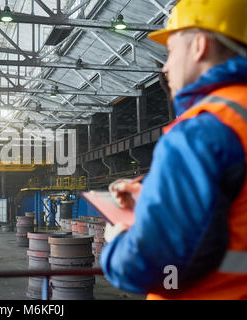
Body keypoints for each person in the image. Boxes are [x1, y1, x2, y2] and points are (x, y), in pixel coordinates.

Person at [100, 0, 247, 299]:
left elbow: (151, 265)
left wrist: (118, 238)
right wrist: (158, 197)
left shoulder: (201, 131)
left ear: (199, 46)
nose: (165, 66)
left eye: (170, 51)